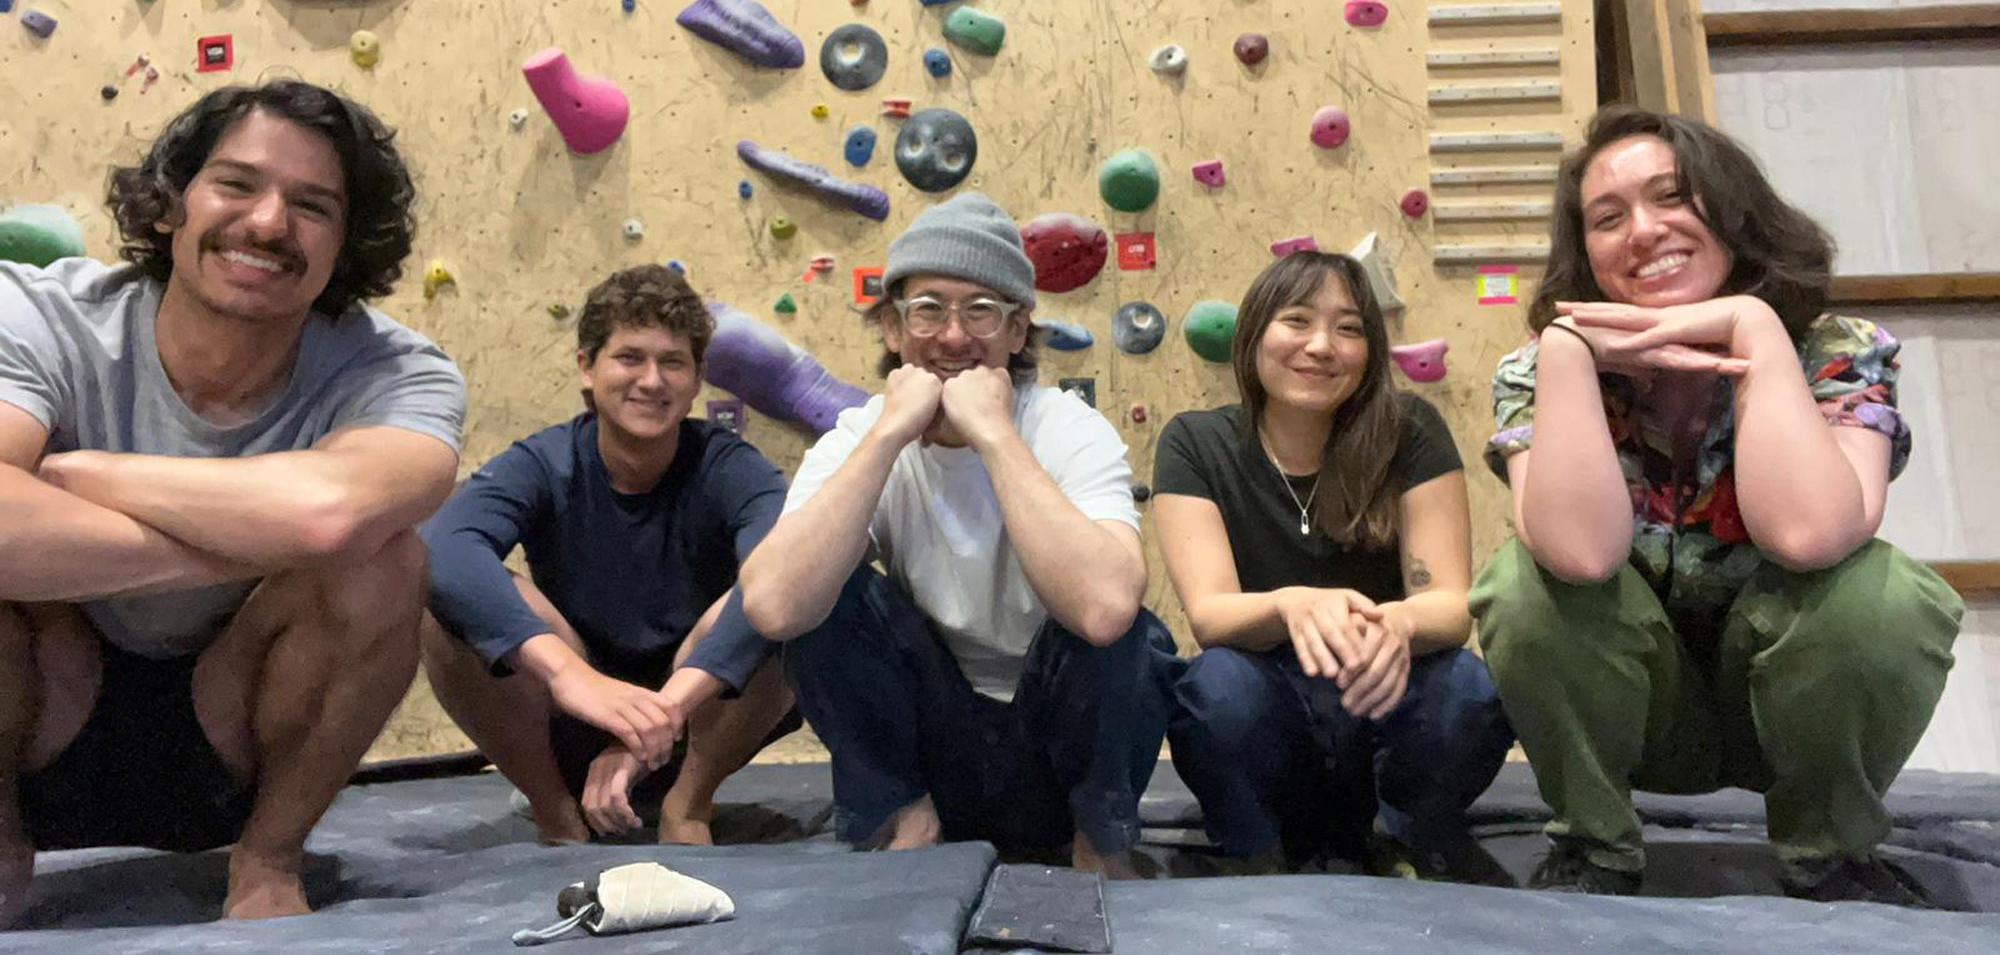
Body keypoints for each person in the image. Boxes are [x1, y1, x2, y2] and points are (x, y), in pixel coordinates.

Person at [1469, 106, 1964, 905]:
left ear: (1733, 210)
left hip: (1787, 707)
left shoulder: (1835, 347)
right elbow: (1578, 553)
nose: (1643, 230)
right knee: (1518, 585)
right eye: (1608, 217)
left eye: (1672, 196)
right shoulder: (1539, 369)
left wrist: (1754, 328)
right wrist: (1567, 350)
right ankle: (1594, 847)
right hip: (1639, 710)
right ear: (1584, 253)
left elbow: (1810, 533)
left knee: (1887, 593)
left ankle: (1829, 851)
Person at [0, 81, 466, 922]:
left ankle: (267, 861)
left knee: (386, 560)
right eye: (237, 184)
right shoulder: (37, 312)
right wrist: (259, 538)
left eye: (313, 204)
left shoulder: (400, 373)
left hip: (241, 721)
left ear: (346, 241)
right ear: (172, 202)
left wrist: (84, 474)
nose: (267, 223)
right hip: (42, 700)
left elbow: (331, 520)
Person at [737, 192, 1180, 877]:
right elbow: (773, 605)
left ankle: (1100, 842)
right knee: (824, 593)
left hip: (1053, 751)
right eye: (927, 309)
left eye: (980, 310)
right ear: (891, 328)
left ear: (1016, 330)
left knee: (1132, 628)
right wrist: (889, 432)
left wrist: (995, 434)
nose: (952, 336)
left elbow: (1104, 610)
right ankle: (906, 823)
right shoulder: (861, 438)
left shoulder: (1065, 427)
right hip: (933, 747)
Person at [1156, 251, 1512, 879]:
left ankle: (1402, 842)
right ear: (1254, 334)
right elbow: (1210, 615)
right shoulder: (1195, 441)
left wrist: (1397, 627)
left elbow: (1451, 604)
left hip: (1382, 705)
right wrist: (1292, 604)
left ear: (1369, 351)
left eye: (1348, 329)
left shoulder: (1411, 430)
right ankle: (1254, 849)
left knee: (1467, 688)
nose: (1322, 346)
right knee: (1211, 688)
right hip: (1269, 716)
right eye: (1297, 321)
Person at [421, 265, 797, 846]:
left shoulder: (732, 468)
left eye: (672, 362)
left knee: (794, 591)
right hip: (571, 713)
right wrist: (571, 677)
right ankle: (556, 812)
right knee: (444, 609)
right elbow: (443, 548)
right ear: (586, 367)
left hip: (701, 715)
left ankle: (687, 806)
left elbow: (787, 577)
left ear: (697, 379)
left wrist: (650, 726)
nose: (651, 380)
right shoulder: (544, 461)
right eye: (629, 357)